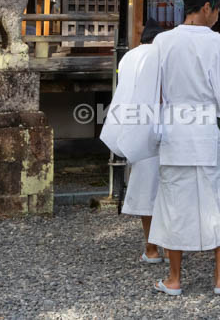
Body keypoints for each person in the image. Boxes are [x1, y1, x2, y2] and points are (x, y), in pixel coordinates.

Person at [146, 0, 220, 296]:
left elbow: (153, 92)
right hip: (208, 127)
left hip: (176, 127)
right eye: (217, 10)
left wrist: (152, 130)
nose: (217, 16)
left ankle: (174, 279)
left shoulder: (163, 41)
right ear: (206, 7)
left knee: (174, 203)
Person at [99, 19, 163, 264]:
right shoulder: (161, 55)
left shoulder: (129, 57)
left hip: (136, 124)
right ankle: (172, 246)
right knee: (168, 189)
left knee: (146, 187)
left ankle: (151, 248)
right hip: (163, 124)